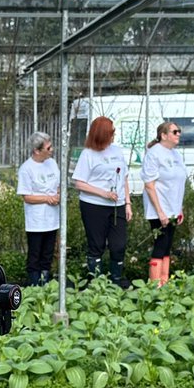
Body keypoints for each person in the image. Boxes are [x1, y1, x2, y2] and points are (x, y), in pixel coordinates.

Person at [73, 115, 132, 284]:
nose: (113, 136)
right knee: (96, 245)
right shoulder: (88, 154)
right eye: (110, 133)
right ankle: (96, 283)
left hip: (117, 204)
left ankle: (116, 279)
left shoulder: (117, 151)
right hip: (94, 206)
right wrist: (103, 193)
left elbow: (124, 177)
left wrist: (127, 202)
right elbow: (79, 183)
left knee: (118, 245)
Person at [141, 121, 187, 286]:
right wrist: (160, 212)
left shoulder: (175, 154)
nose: (178, 134)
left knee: (167, 246)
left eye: (179, 131)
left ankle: (164, 282)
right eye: (175, 131)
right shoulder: (154, 153)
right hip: (159, 209)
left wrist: (179, 208)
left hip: (173, 209)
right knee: (160, 245)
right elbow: (149, 185)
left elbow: (178, 183)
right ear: (163, 135)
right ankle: (154, 286)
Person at [17, 131, 60, 286]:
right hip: (36, 221)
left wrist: (58, 195)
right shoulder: (26, 168)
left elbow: (58, 185)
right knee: (35, 254)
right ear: (37, 150)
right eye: (48, 148)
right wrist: (48, 198)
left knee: (48, 253)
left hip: (52, 218)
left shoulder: (52, 163)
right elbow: (27, 196)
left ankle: (46, 282)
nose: (52, 150)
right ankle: (35, 285)